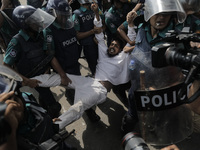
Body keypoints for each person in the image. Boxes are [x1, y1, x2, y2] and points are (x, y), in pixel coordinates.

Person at [30, 1, 136, 129]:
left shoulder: (122, 57)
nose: (113, 46)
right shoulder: (103, 52)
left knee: (79, 106)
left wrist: (130, 24)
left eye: (116, 46)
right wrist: (96, 13)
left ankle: (55, 125)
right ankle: (27, 81)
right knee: (59, 78)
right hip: (87, 81)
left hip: (99, 90)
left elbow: (131, 41)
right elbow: (99, 32)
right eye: (112, 44)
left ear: (121, 50)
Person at [121, 0, 196, 147]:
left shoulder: (176, 37)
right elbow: (130, 38)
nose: (161, 18)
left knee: (159, 122)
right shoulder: (141, 27)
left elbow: (182, 71)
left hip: (159, 93)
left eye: (166, 15)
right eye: (158, 14)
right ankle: (126, 134)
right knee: (131, 118)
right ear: (149, 14)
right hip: (137, 90)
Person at [3, 5, 70, 118]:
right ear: (24, 24)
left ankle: (46, 115)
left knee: (45, 99)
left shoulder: (39, 35)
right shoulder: (17, 42)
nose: (39, 21)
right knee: (54, 105)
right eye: (35, 20)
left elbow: (48, 54)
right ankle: (52, 126)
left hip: (44, 74)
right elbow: (5, 66)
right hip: (31, 79)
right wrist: (27, 81)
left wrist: (53, 70)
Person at [46, 0, 101, 122]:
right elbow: (51, 56)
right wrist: (62, 75)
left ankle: (82, 105)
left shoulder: (68, 24)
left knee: (81, 91)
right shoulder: (49, 32)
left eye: (66, 15)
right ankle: (88, 113)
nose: (65, 18)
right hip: (65, 70)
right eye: (62, 15)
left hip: (75, 65)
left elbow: (75, 39)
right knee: (79, 95)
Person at [0, 65, 76, 150]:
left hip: (56, 142)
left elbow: (38, 113)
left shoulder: (27, 97)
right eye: (7, 110)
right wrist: (8, 132)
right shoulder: (9, 139)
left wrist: (48, 123)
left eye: (14, 101)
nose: (13, 112)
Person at [73, 0, 104, 76]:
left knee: (103, 64)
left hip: (99, 42)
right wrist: (92, 31)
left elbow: (103, 22)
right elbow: (77, 35)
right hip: (88, 45)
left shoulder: (95, 9)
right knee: (94, 67)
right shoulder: (76, 14)